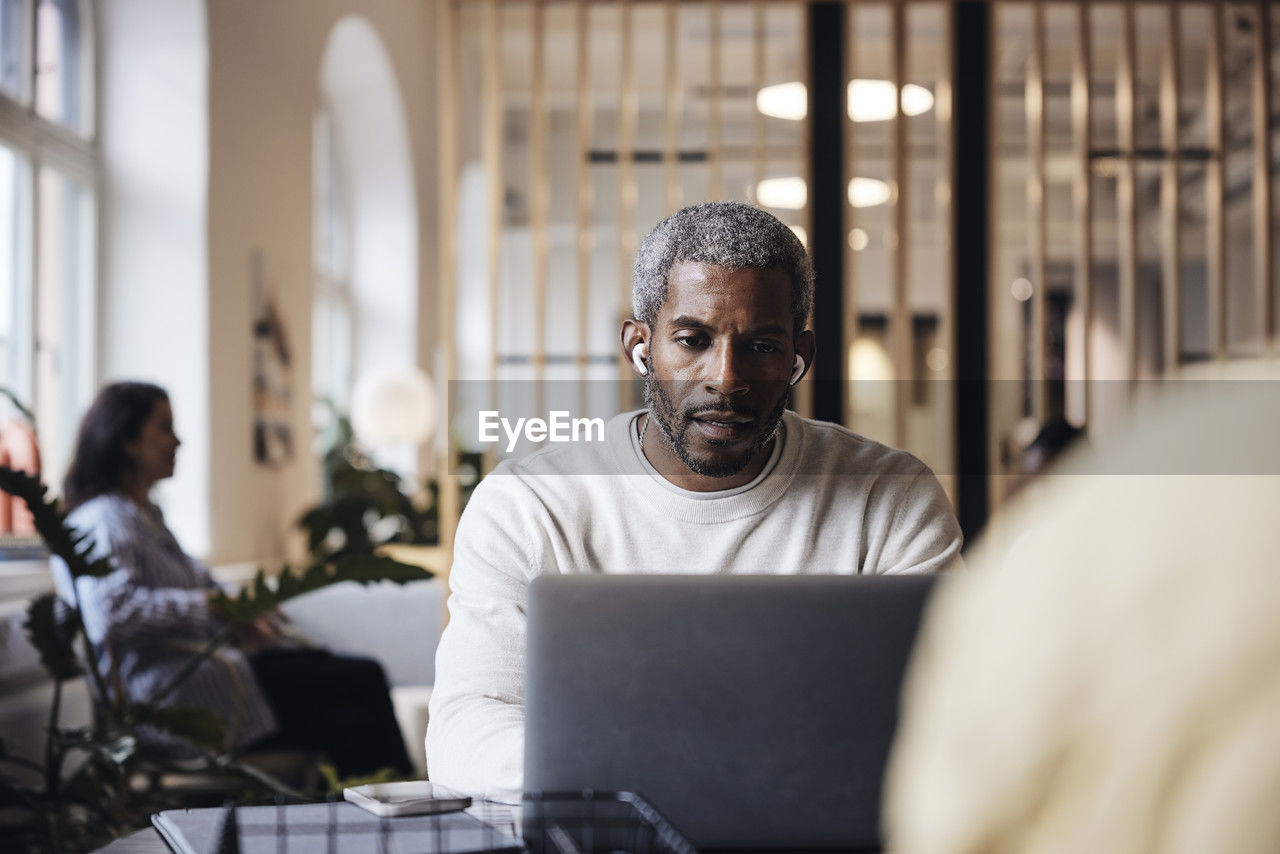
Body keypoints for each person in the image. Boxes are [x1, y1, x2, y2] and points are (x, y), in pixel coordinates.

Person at [426, 201, 964, 801]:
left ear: (799, 357)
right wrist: (673, 778)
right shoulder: (528, 505)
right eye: (692, 340)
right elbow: (464, 730)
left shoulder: (891, 499)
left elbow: (958, 717)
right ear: (640, 346)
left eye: (761, 346)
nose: (726, 378)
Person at [51, 381, 412, 778]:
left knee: (348, 714)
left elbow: (203, 583)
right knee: (359, 680)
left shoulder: (146, 518)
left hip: (214, 678)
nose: (178, 441)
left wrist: (244, 611)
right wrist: (212, 608)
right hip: (172, 697)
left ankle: (393, 815)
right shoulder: (105, 521)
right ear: (127, 441)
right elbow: (109, 614)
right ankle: (410, 814)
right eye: (164, 428)